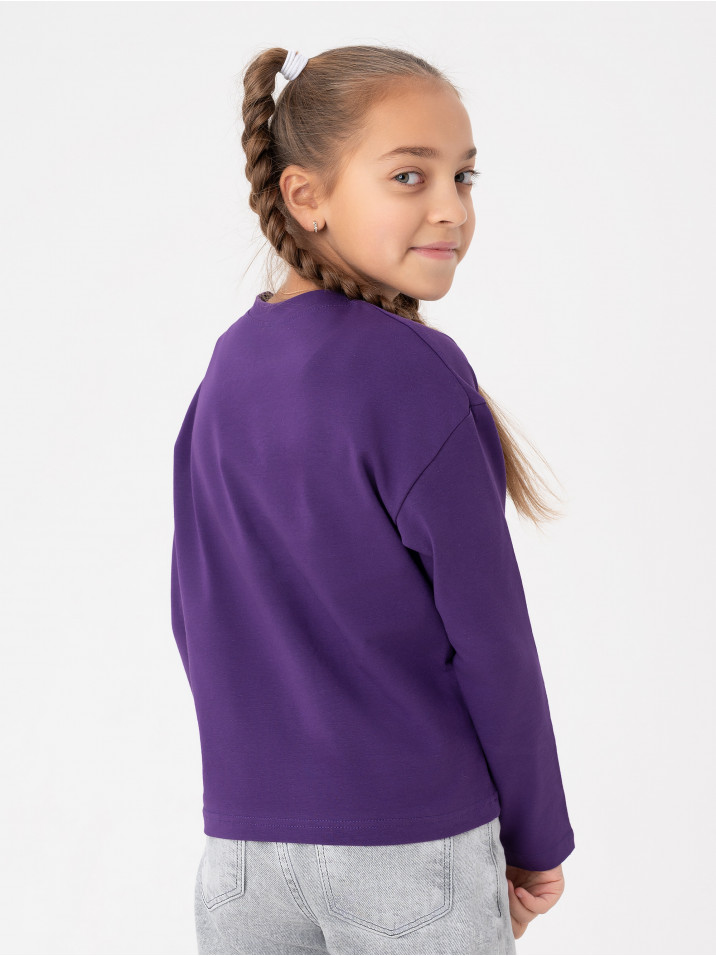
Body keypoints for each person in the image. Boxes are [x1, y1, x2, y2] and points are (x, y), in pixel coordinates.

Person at [171, 44, 575, 956]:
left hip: (240, 856)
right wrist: (535, 835)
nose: (452, 208)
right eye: (408, 175)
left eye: (464, 177)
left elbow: (194, 610)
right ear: (305, 195)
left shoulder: (231, 362)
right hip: (409, 845)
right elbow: (491, 641)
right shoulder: (415, 369)